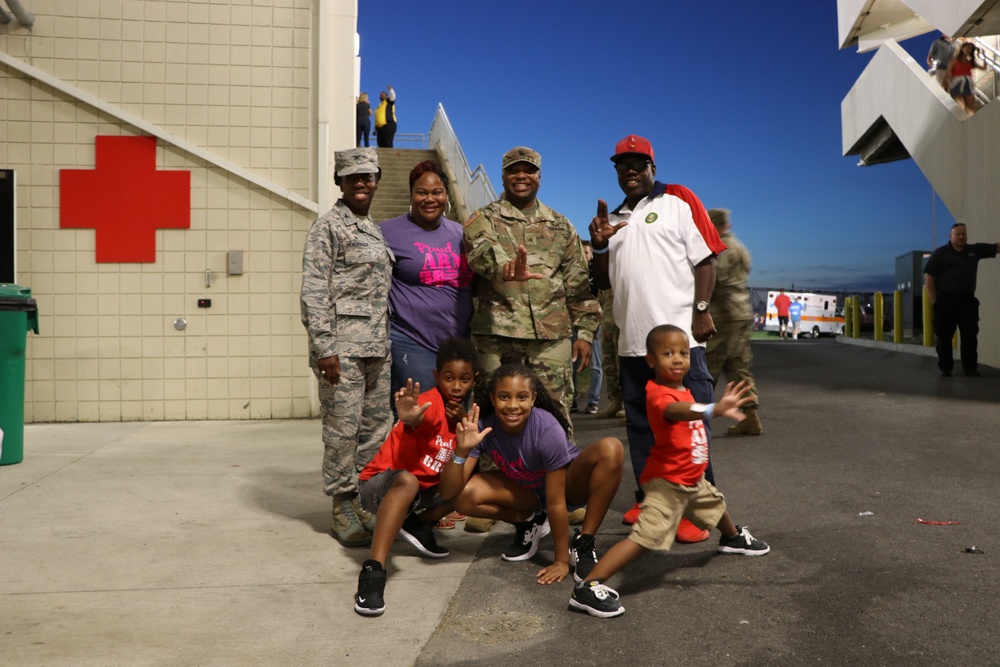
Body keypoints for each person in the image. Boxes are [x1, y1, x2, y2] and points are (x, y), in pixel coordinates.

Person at [568, 325, 770, 619]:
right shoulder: (658, 393)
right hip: (670, 484)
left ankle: (732, 538)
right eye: (668, 353)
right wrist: (714, 408)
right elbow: (679, 412)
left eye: (684, 353)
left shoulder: (682, 387)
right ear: (651, 360)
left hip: (691, 478)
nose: (677, 359)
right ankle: (587, 587)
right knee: (643, 538)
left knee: (714, 503)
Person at [589, 134, 725, 543]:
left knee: (688, 429)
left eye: (638, 164)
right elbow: (601, 282)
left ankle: (697, 512)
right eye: (622, 165)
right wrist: (598, 247)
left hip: (678, 344)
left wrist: (701, 311)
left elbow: (707, 258)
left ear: (653, 167)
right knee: (642, 427)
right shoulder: (613, 219)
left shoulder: (679, 199)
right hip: (633, 344)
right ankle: (651, 498)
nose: (630, 171)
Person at [439, 356, 624, 585]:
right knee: (464, 497)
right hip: (529, 493)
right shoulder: (482, 427)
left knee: (611, 448)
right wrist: (462, 449)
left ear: (534, 398)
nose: (513, 405)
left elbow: (557, 502)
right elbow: (449, 492)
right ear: (492, 398)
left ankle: (583, 542)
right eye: (504, 397)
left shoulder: (546, 429)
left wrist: (560, 561)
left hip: (568, 487)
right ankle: (529, 521)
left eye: (522, 397)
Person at [464, 146, 600, 427]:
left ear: (539, 176)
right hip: (498, 339)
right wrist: (505, 268)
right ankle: (493, 471)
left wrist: (585, 333)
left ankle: (556, 470)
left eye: (528, 170)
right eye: (514, 170)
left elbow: (578, 286)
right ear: (502, 177)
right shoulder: (483, 219)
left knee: (554, 417)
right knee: (492, 417)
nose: (521, 176)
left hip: (550, 342)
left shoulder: (561, 226)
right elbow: (481, 252)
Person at [300, 147, 393, 548]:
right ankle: (342, 506)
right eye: (352, 176)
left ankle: (364, 503)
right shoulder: (328, 228)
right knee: (342, 431)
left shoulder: (371, 228)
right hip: (342, 352)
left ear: (375, 180)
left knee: (374, 431)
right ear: (339, 181)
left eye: (368, 176)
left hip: (377, 347)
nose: (361, 183)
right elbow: (314, 291)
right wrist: (324, 348)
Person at [353, 338, 477, 617]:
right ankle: (374, 570)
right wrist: (410, 417)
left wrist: (462, 442)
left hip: (420, 493)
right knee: (408, 480)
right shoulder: (428, 404)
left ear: (474, 380)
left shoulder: (465, 418)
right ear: (436, 377)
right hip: (379, 486)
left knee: (469, 481)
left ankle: (420, 526)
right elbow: (421, 419)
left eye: (464, 379)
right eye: (448, 378)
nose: (456, 386)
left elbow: (454, 484)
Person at [379, 161, 473, 413]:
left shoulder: (463, 234)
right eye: (422, 192)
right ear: (411, 195)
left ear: (446, 195)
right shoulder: (387, 232)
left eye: (436, 192)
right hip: (412, 340)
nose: (429, 199)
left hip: (457, 343)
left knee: (454, 420)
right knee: (421, 416)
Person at [705, 208, 762, 436]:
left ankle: (692, 422)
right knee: (738, 367)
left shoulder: (721, 249)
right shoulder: (740, 247)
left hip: (723, 315)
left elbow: (715, 282)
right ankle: (750, 417)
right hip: (741, 312)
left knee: (707, 368)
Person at [923, 222, 999, 377]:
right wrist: (935, 301)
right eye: (957, 234)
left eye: (963, 234)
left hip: (967, 302)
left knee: (970, 337)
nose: (961, 237)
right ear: (950, 236)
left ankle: (970, 368)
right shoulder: (940, 253)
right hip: (945, 302)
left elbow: (996, 247)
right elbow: (928, 276)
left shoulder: (974, 250)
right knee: (944, 338)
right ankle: (945, 367)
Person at [572, 241, 603, 414]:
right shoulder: (573, 272)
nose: (585, 255)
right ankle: (573, 400)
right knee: (573, 361)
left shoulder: (597, 272)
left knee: (595, 363)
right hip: (573, 319)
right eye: (582, 252)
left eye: (587, 252)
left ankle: (594, 400)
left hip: (593, 321)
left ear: (592, 254)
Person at [947, 42, 986, 115]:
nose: (969, 50)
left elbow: (983, 68)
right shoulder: (955, 60)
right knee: (961, 106)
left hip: (968, 84)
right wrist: (950, 84)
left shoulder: (970, 62)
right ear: (962, 48)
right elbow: (949, 72)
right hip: (957, 83)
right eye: (967, 47)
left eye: (971, 49)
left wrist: (983, 57)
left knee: (970, 108)